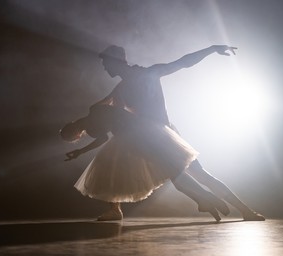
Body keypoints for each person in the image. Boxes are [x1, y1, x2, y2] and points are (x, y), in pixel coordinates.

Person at [95, 44, 265, 221]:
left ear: (117, 61)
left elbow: (183, 62)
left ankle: (242, 209)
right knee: (117, 162)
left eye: (106, 62)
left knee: (194, 176)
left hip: (163, 136)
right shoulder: (121, 89)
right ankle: (115, 209)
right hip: (146, 139)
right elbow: (106, 109)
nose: (104, 67)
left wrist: (212, 49)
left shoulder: (148, 74)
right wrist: (84, 123)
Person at [61, 103, 230, 221]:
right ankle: (204, 200)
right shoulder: (93, 116)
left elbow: (104, 133)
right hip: (137, 131)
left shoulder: (92, 120)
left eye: (73, 136)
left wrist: (81, 151)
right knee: (169, 172)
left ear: (75, 133)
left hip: (136, 134)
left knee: (170, 171)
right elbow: (105, 126)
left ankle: (206, 199)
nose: (76, 136)